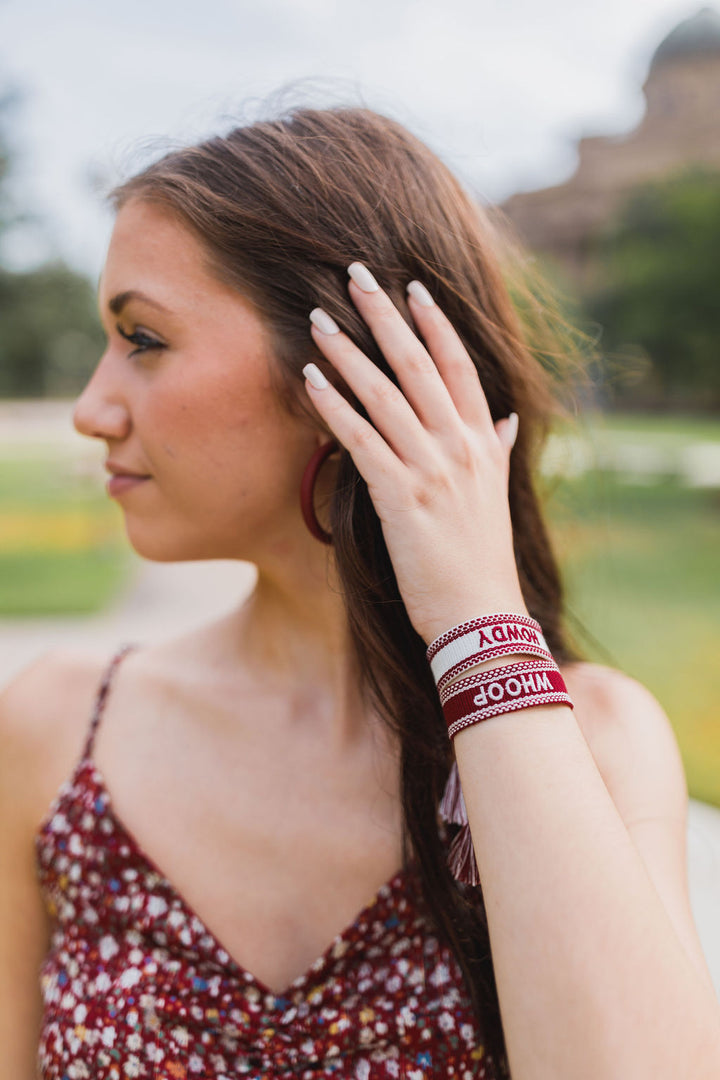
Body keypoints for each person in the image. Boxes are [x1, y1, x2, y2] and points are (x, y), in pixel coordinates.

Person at [1, 102, 719, 1080]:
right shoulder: (51, 729)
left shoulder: (593, 746)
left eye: (144, 338)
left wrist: (477, 628)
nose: (90, 408)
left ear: (345, 374)